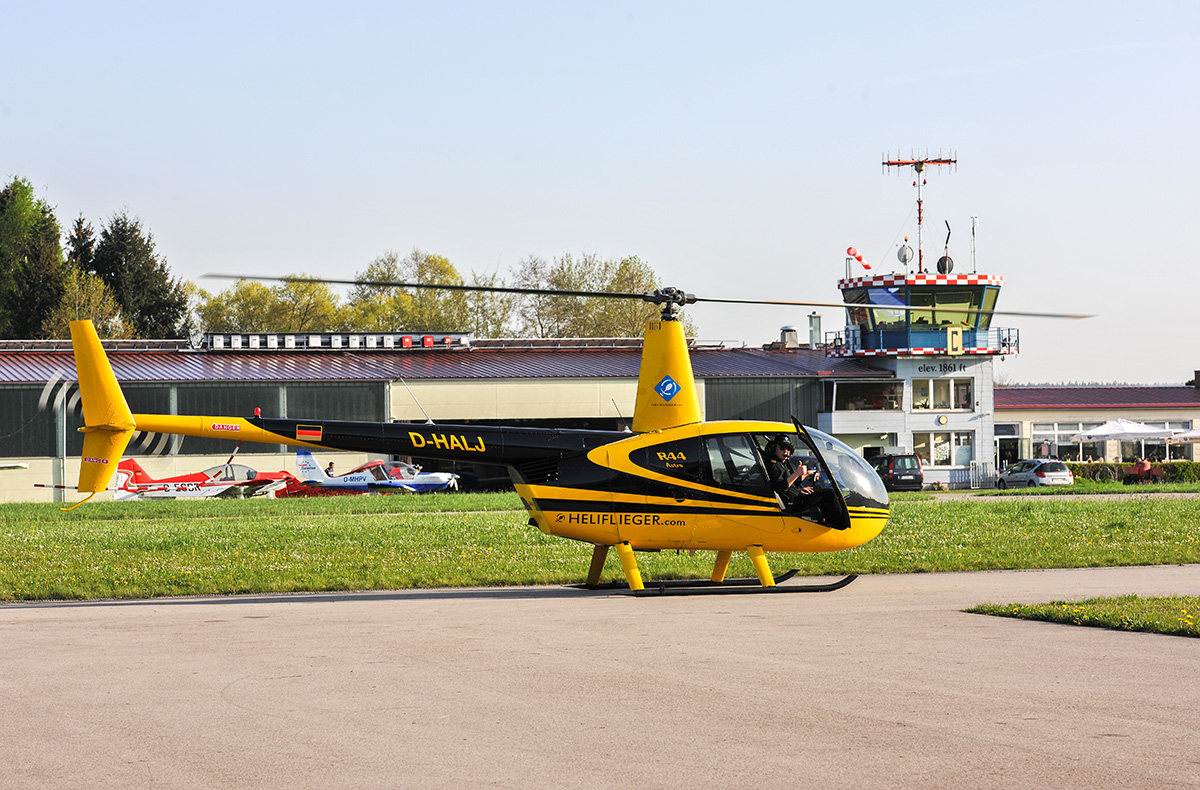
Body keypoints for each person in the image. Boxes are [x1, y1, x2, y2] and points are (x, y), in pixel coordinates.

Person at [763, 435, 842, 527]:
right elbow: (780, 488)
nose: (785, 451)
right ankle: (839, 523)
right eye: (782, 448)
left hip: (795, 496)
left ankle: (828, 520)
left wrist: (807, 474)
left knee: (817, 488)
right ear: (774, 448)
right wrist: (797, 473)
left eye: (788, 448)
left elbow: (793, 482)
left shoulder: (782, 463)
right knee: (829, 493)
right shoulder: (774, 466)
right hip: (791, 504)